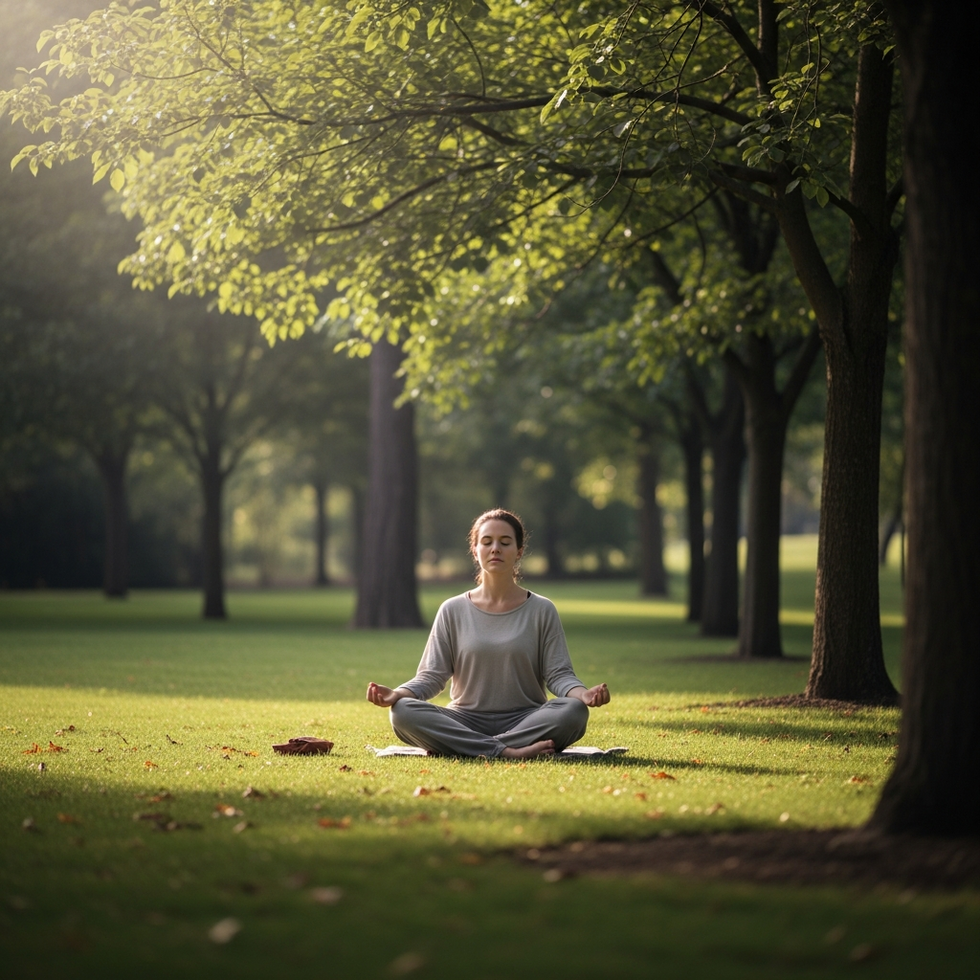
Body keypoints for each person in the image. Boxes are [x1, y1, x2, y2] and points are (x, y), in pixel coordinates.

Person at [366, 509, 610, 759]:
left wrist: (584, 694)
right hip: (464, 719)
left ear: (519, 551)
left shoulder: (542, 609)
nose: (495, 549)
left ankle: (477, 748)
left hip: (527, 720)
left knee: (574, 711)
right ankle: (507, 752)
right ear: (475, 550)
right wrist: (398, 694)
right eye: (487, 542)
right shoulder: (452, 609)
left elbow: (559, 674)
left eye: (505, 543)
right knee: (402, 711)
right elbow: (431, 676)